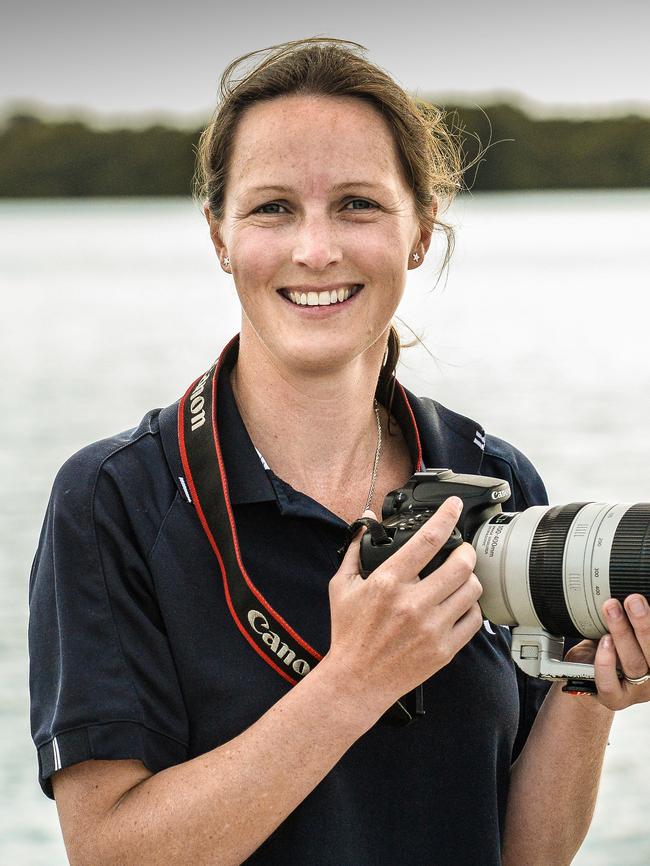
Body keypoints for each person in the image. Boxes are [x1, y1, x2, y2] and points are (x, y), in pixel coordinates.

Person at [28, 37, 650, 866]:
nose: (315, 249)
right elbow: (107, 852)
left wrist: (587, 692)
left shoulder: (491, 479)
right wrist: (353, 681)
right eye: (272, 207)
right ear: (218, 234)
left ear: (421, 229)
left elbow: (525, 854)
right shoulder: (119, 498)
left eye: (357, 204)